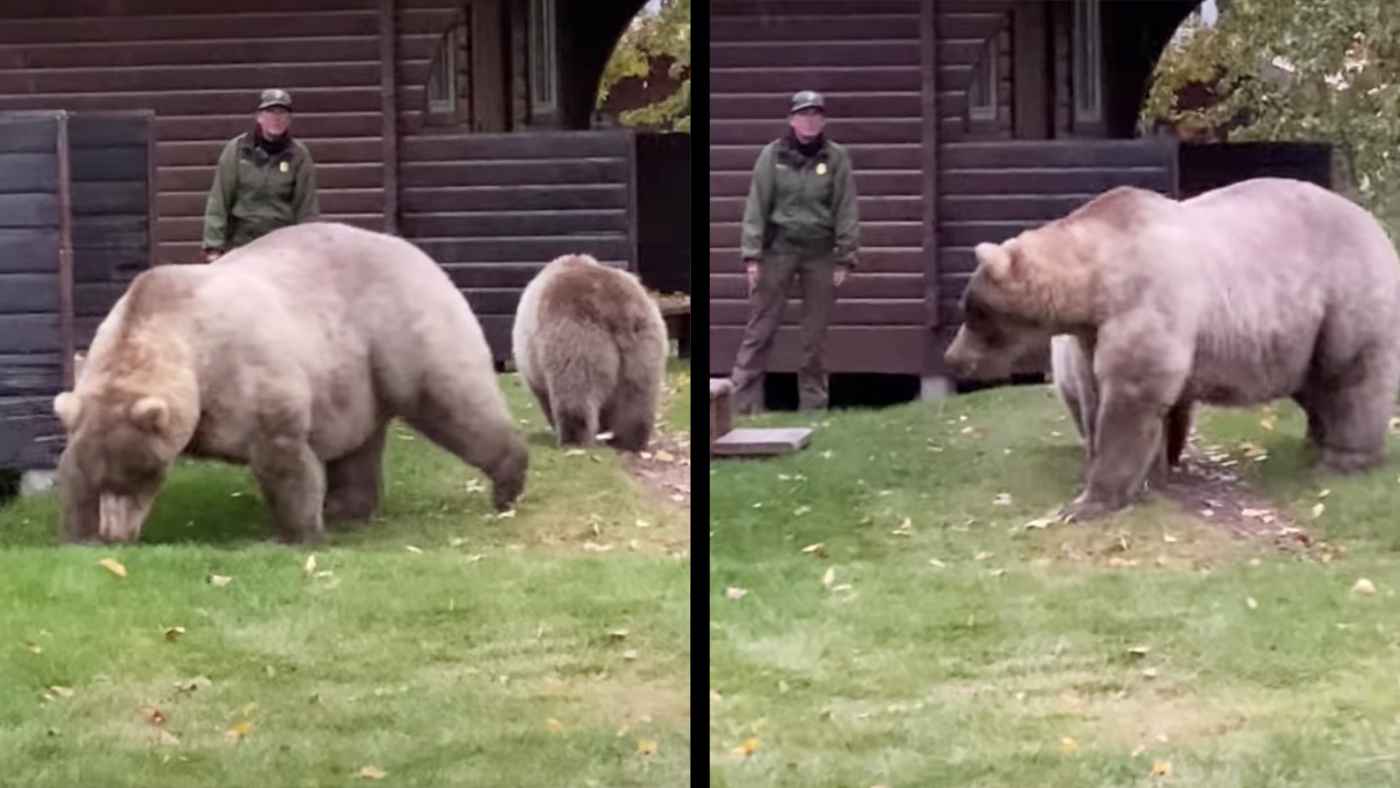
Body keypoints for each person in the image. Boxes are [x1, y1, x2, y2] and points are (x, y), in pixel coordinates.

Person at [727, 90, 861, 414]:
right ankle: (742, 404)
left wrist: (845, 256)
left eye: (816, 115)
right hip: (778, 249)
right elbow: (756, 205)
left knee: (815, 335)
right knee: (760, 328)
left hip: (820, 252)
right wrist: (752, 256)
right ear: (791, 120)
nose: (810, 121)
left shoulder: (836, 158)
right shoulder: (772, 156)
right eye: (803, 114)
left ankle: (813, 407)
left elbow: (846, 208)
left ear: (823, 121)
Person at [201, 88, 320, 262]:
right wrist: (213, 247)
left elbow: (307, 208)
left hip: (283, 247)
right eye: (270, 112)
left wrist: (309, 250)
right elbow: (219, 200)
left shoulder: (299, 155)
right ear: (259, 117)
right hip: (241, 244)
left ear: (289, 119)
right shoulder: (237, 149)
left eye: (282, 113)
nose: (277, 118)